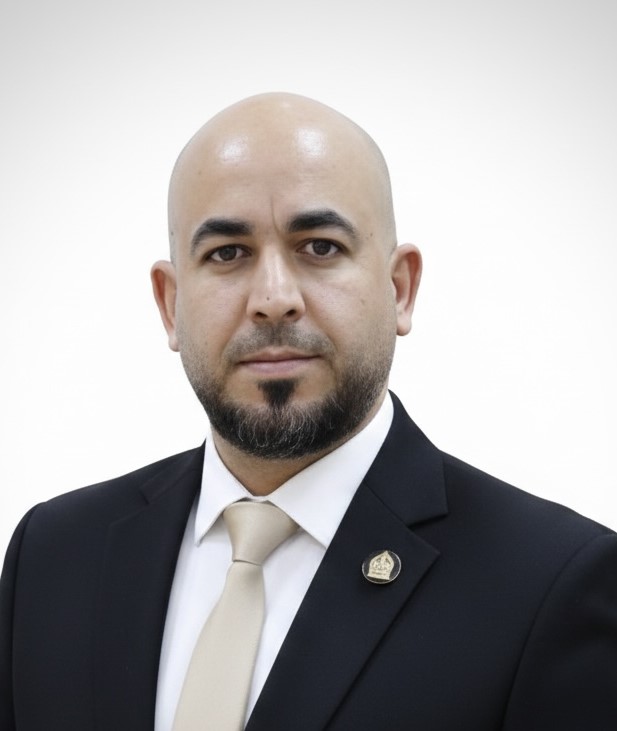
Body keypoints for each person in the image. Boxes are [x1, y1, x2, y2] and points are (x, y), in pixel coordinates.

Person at [1, 93, 616, 731]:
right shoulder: (53, 556)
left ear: (400, 289)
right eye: (227, 253)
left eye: (319, 246)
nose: (273, 299)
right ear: (170, 304)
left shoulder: (551, 584)